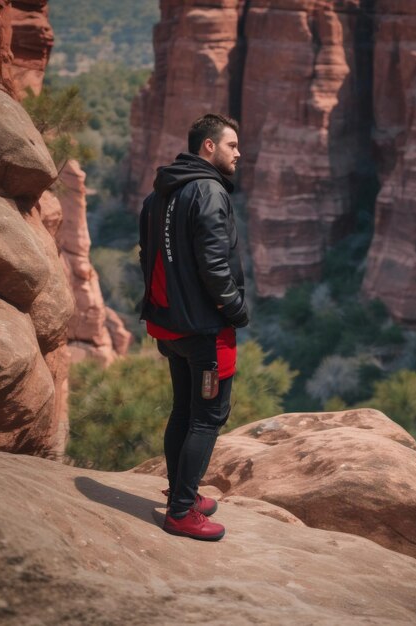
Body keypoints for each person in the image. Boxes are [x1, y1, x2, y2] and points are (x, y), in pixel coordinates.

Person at [138, 114, 248, 541]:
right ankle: (182, 511)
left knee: (183, 410)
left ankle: (179, 493)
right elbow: (214, 263)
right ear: (208, 147)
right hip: (204, 331)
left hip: (169, 326)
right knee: (208, 416)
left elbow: (147, 255)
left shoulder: (161, 191)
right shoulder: (208, 190)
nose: (239, 153)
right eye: (232, 145)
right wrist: (235, 309)